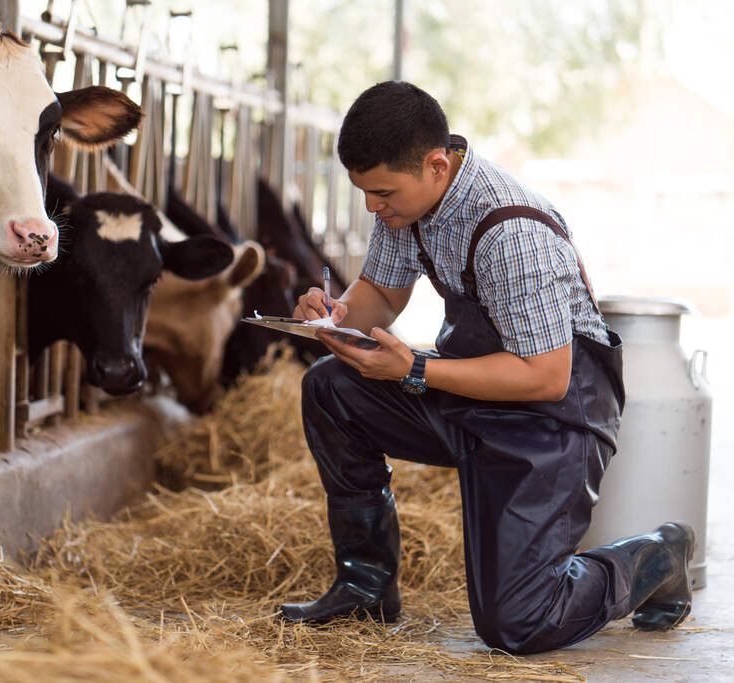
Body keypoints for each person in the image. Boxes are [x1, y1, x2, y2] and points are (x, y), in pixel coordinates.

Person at [281, 81, 694, 655]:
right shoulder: (410, 206)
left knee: (519, 625)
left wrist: (415, 370)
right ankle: (366, 588)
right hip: (474, 395)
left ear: (435, 165)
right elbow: (381, 291)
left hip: (552, 421)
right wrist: (335, 317)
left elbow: (545, 376)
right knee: (331, 387)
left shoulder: (511, 230)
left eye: (381, 192)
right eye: (365, 193)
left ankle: (655, 556)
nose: (373, 206)